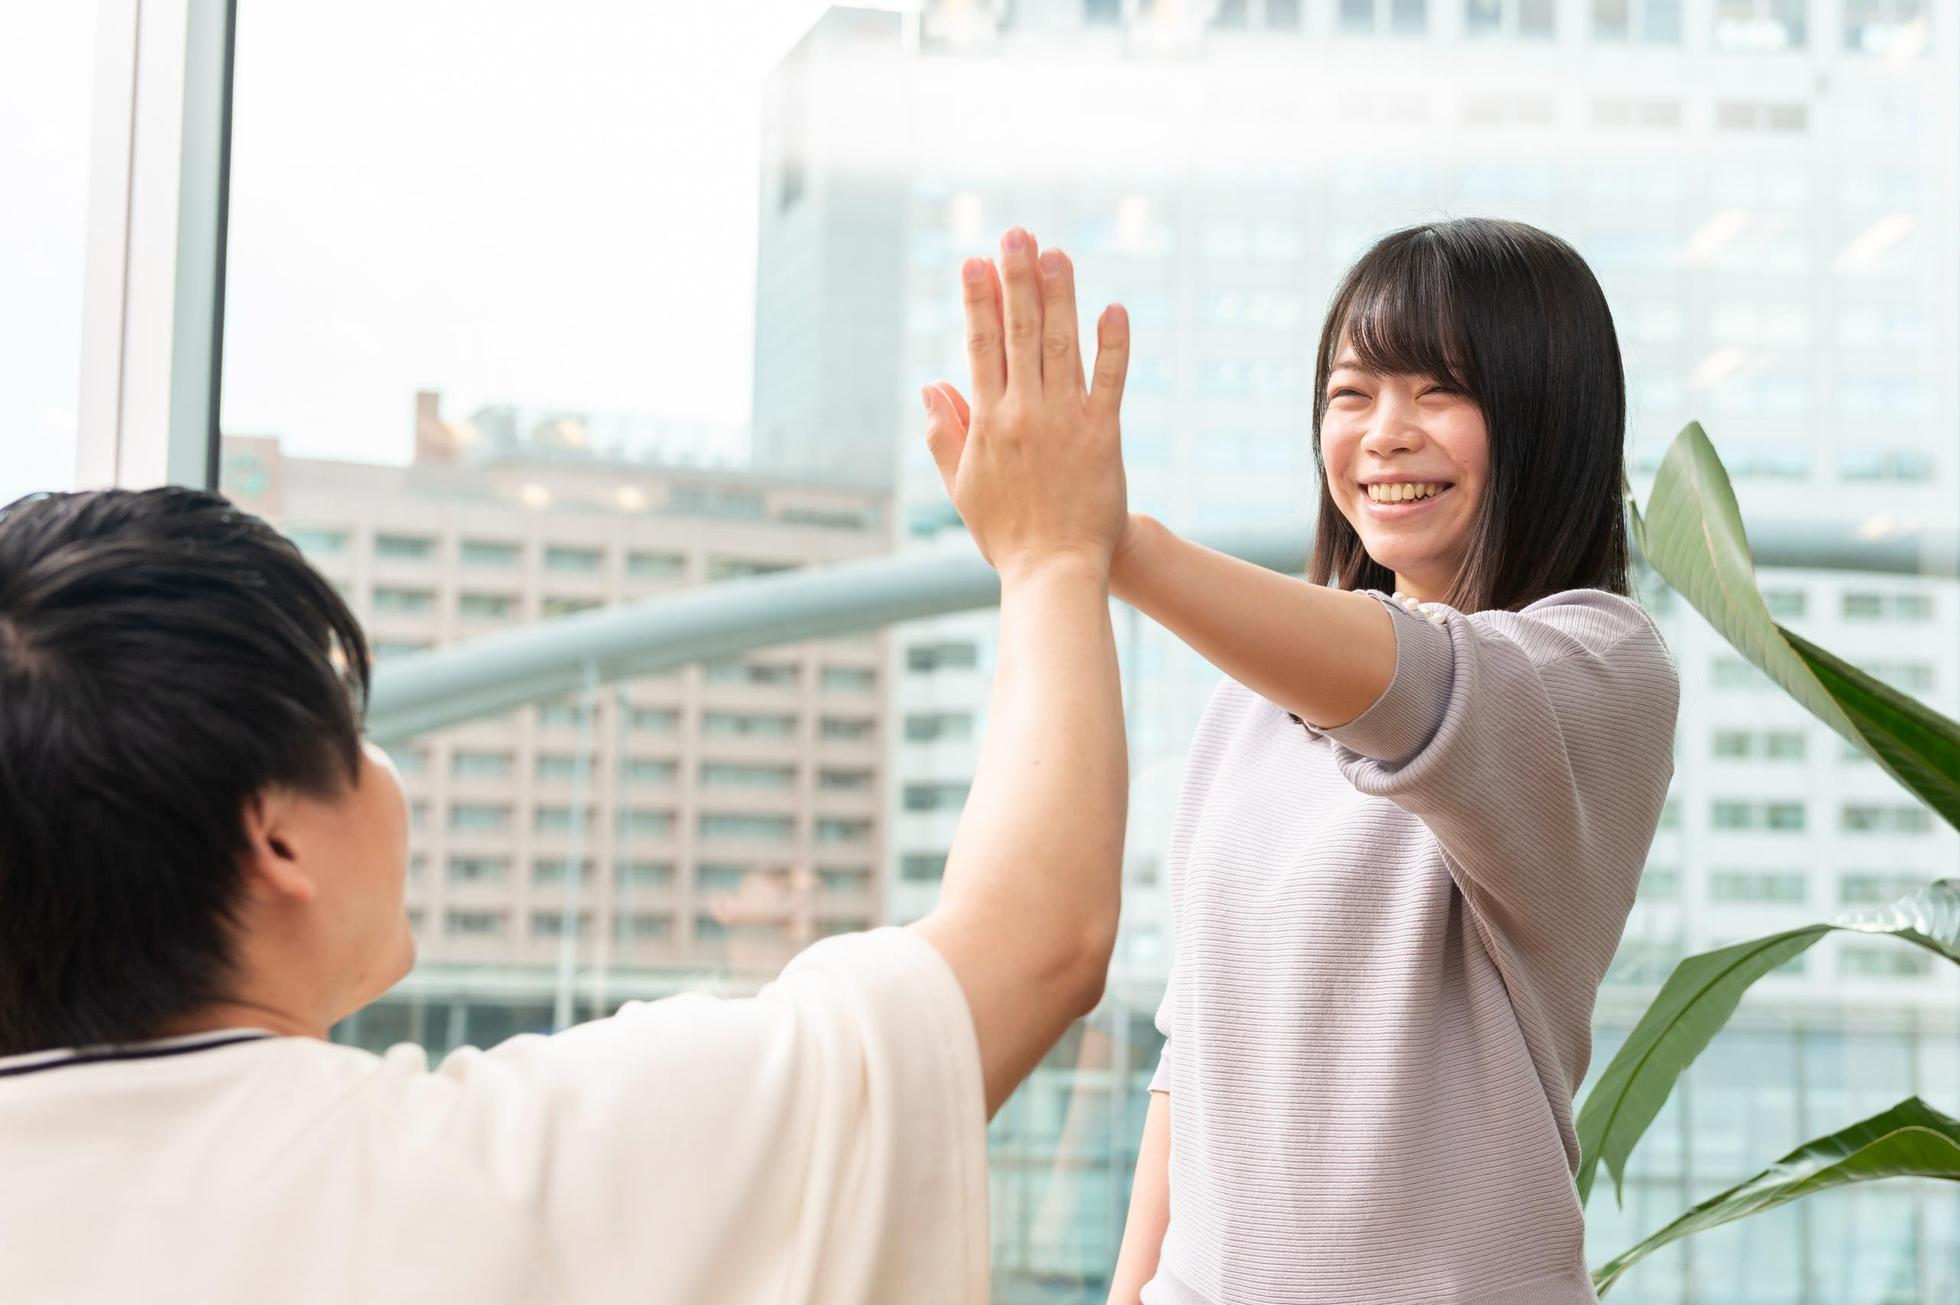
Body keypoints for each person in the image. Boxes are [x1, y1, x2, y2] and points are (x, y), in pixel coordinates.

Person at [0, 230, 1128, 1304]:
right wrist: (1050, 556)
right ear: (278, 839)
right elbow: (1032, 942)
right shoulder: (482, 1173)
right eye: (349, 733)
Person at [923, 218, 1681, 1304]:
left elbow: (1420, 678)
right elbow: (1194, 1052)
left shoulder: (1597, 666)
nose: (1384, 434)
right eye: (1350, 393)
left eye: (1441, 391)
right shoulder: (1249, 704)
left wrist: (1105, 542)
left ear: (1548, 413)